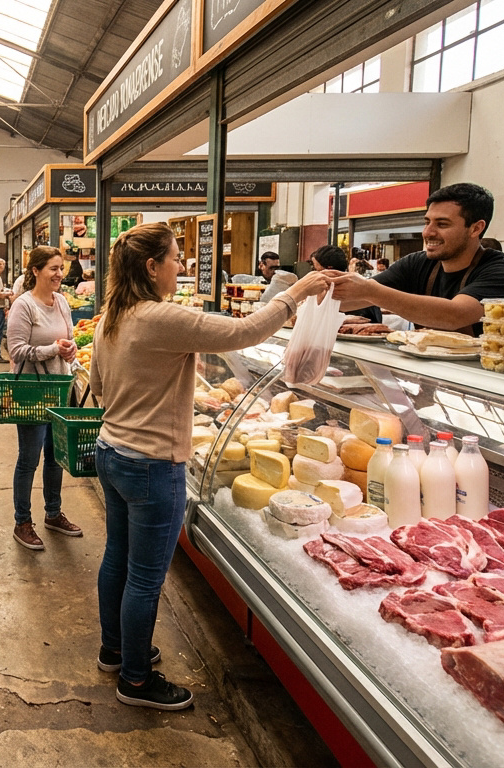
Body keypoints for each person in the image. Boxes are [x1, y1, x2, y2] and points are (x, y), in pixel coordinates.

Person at [89, 222, 326, 710]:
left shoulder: (112, 314)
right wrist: (296, 291)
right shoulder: (162, 316)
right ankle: (135, 680)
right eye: (176, 257)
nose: (182, 265)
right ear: (152, 267)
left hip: (111, 449)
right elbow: (245, 332)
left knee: (117, 557)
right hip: (153, 464)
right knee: (145, 578)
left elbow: (99, 387)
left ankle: (116, 649)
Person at [325, 183, 504, 335]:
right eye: (427, 222)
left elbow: (454, 315)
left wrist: (370, 290)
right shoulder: (418, 263)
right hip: (432, 379)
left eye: (442, 224)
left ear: (476, 228)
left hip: (488, 383)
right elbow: (349, 301)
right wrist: (320, 289)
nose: (428, 232)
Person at [8, 246, 81, 551]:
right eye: (53, 268)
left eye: (61, 268)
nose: (59, 274)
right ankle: (22, 521)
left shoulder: (62, 301)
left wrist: (71, 348)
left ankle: (53, 513)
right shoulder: (24, 306)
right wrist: (53, 349)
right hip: (31, 392)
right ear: (35, 270)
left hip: (60, 388)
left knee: (55, 455)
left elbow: (70, 336)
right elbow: (15, 351)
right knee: (29, 458)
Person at [309, 245, 382, 324]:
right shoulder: (357, 284)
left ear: (329, 269)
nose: (315, 273)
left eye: (316, 269)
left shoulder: (346, 289)